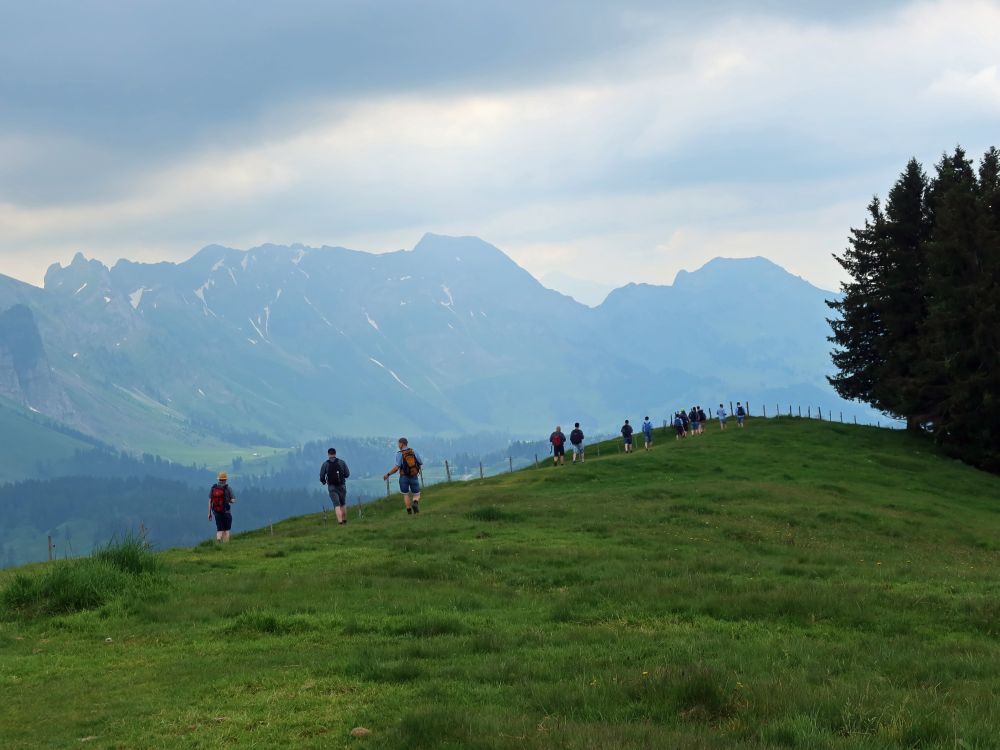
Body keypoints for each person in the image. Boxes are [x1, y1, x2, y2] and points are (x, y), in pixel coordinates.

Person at [384, 438, 423, 514]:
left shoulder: (399, 453)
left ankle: (409, 513)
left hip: (403, 477)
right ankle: (415, 503)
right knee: (417, 494)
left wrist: (388, 474)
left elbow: (396, 468)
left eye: (398, 444)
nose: (398, 445)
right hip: (414, 476)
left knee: (405, 494)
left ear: (402, 444)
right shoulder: (413, 451)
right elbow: (420, 462)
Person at [320, 448, 351, 525]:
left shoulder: (325, 464)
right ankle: (344, 521)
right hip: (342, 486)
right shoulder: (342, 462)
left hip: (332, 487)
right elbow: (347, 474)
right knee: (343, 503)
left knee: (337, 505)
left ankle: (340, 523)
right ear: (335, 453)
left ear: (328, 454)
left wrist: (324, 482)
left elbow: (321, 476)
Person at [208, 471, 236, 543]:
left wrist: (209, 513)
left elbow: (210, 501)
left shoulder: (213, 488)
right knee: (226, 529)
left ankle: (218, 543)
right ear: (225, 479)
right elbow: (233, 500)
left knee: (219, 529)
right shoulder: (228, 488)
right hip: (226, 512)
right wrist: (229, 501)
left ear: (219, 479)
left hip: (216, 512)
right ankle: (226, 545)